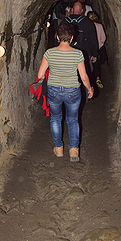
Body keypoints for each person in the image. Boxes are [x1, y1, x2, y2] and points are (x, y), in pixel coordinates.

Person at [37, 22, 94, 162]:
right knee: (73, 120)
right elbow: (84, 77)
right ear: (72, 37)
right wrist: (90, 88)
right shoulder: (78, 54)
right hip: (72, 90)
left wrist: (46, 75)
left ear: (57, 36)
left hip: (54, 90)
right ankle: (74, 150)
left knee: (55, 118)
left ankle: (58, 148)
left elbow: (40, 75)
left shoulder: (49, 53)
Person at [65, 1, 98, 82]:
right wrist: (94, 54)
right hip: (85, 54)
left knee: (71, 76)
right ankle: (86, 91)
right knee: (85, 74)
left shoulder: (65, 21)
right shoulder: (87, 22)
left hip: (68, 54)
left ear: (72, 9)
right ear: (82, 10)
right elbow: (93, 39)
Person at [87, 11, 107, 88]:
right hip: (98, 49)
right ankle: (98, 78)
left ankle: (91, 81)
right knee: (97, 64)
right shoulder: (99, 26)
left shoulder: (87, 26)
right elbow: (104, 38)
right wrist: (99, 45)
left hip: (90, 49)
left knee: (90, 65)